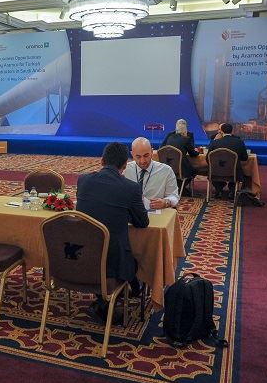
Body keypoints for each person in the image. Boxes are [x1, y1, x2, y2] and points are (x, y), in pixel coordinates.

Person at [76, 142, 149, 323]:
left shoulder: (83, 180)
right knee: (135, 259)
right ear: (125, 165)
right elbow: (142, 222)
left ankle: (103, 301)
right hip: (114, 263)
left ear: (102, 161)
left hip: (81, 255)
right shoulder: (131, 188)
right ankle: (111, 300)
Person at [123, 137, 179, 209]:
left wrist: (165, 202)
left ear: (152, 152)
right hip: (130, 211)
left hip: (156, 211)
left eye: (146, 156)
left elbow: (174, 197)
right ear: (132, 154)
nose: (142, 161)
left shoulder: (166, 170)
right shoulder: (125, 170)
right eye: (138, 157)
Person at [207, 122, 248, 199]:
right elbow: (245, 158)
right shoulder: (239, 142)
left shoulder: (215, 142)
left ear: (221, 131)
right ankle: (232, 191)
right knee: (245, 172)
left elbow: (208, 159)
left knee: (217, 168)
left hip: (216, 172)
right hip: (234, 172)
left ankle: (218, 189)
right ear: (232, 131)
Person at [161, 119, 200, 195]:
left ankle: (178, 187)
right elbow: (192, 154)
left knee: (182, 171)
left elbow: (161, 148)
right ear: (185, 128)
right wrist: (197, 151)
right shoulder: (186, 139)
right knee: (195, 171)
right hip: (181, 167)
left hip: (168, 165)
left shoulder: (170, 137)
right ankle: (180, 188)